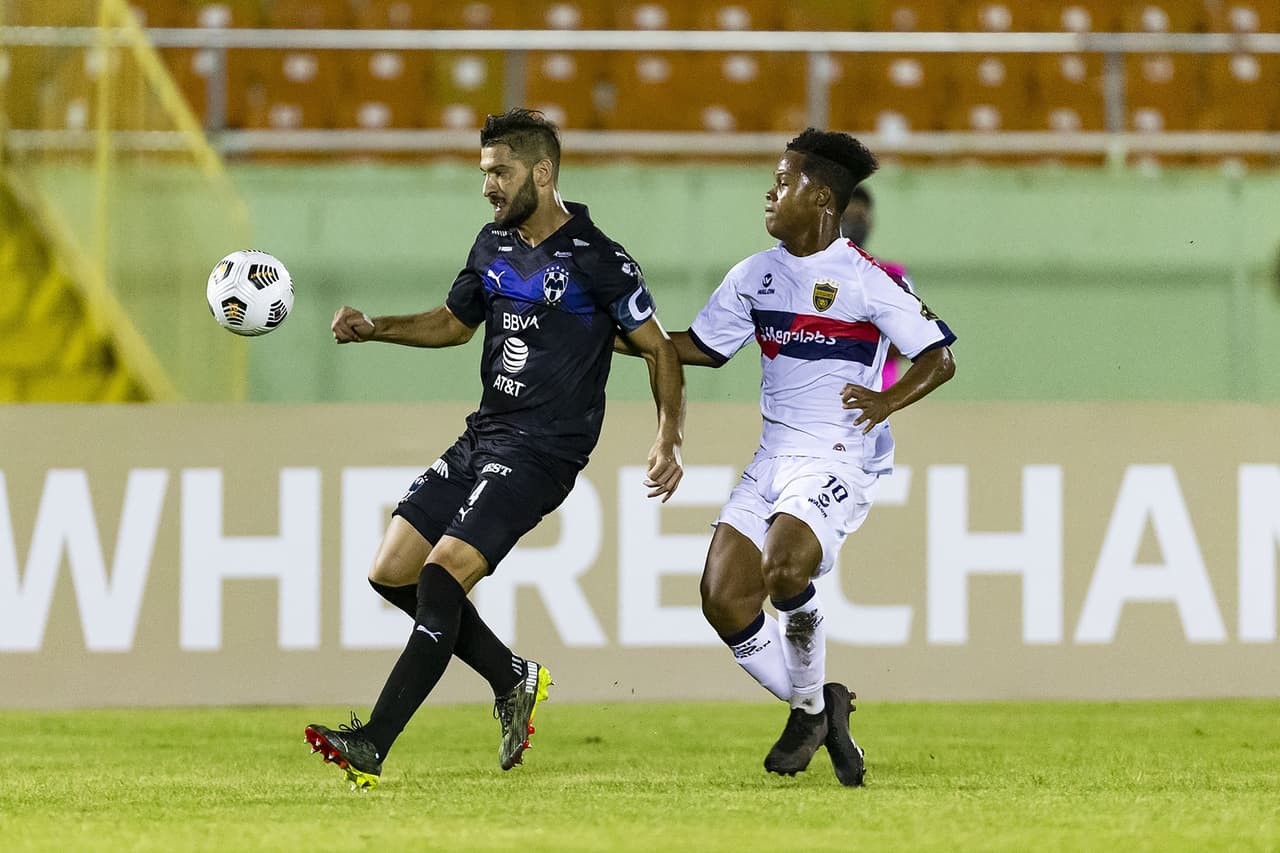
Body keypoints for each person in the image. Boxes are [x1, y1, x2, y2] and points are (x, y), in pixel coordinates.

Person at [305, 108, 686, 790]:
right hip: (485, 433)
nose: (488, 185)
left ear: (541, 172)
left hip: (544, 451)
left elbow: (658, 348)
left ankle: (373, 742)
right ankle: (512, 676)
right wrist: (376, 327)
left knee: (440, 577)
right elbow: (453, 323)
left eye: (500, 172)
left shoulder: (599, 258)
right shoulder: (492, 245)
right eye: (484, 172)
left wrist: (668, 436)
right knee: (392, 569)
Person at [619, 128, 955, 786]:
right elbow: (699, 348)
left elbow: (939, 355)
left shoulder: (867, 282)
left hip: (835, 457)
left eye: (784, 181)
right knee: (721, 596)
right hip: (772, 457)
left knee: (783, 563)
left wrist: (887, 404)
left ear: (822, 197)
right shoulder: (755, 275)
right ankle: (818, 705)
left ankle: (808, 713)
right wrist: (617, 334)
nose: (770, 192)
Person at [840, 185, 910, 387]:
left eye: (860, 218)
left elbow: (908, 342)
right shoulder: (814, 274)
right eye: (847, 218)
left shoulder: (892, 274)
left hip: (877, 397)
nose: (853, 225)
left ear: (871, 223)